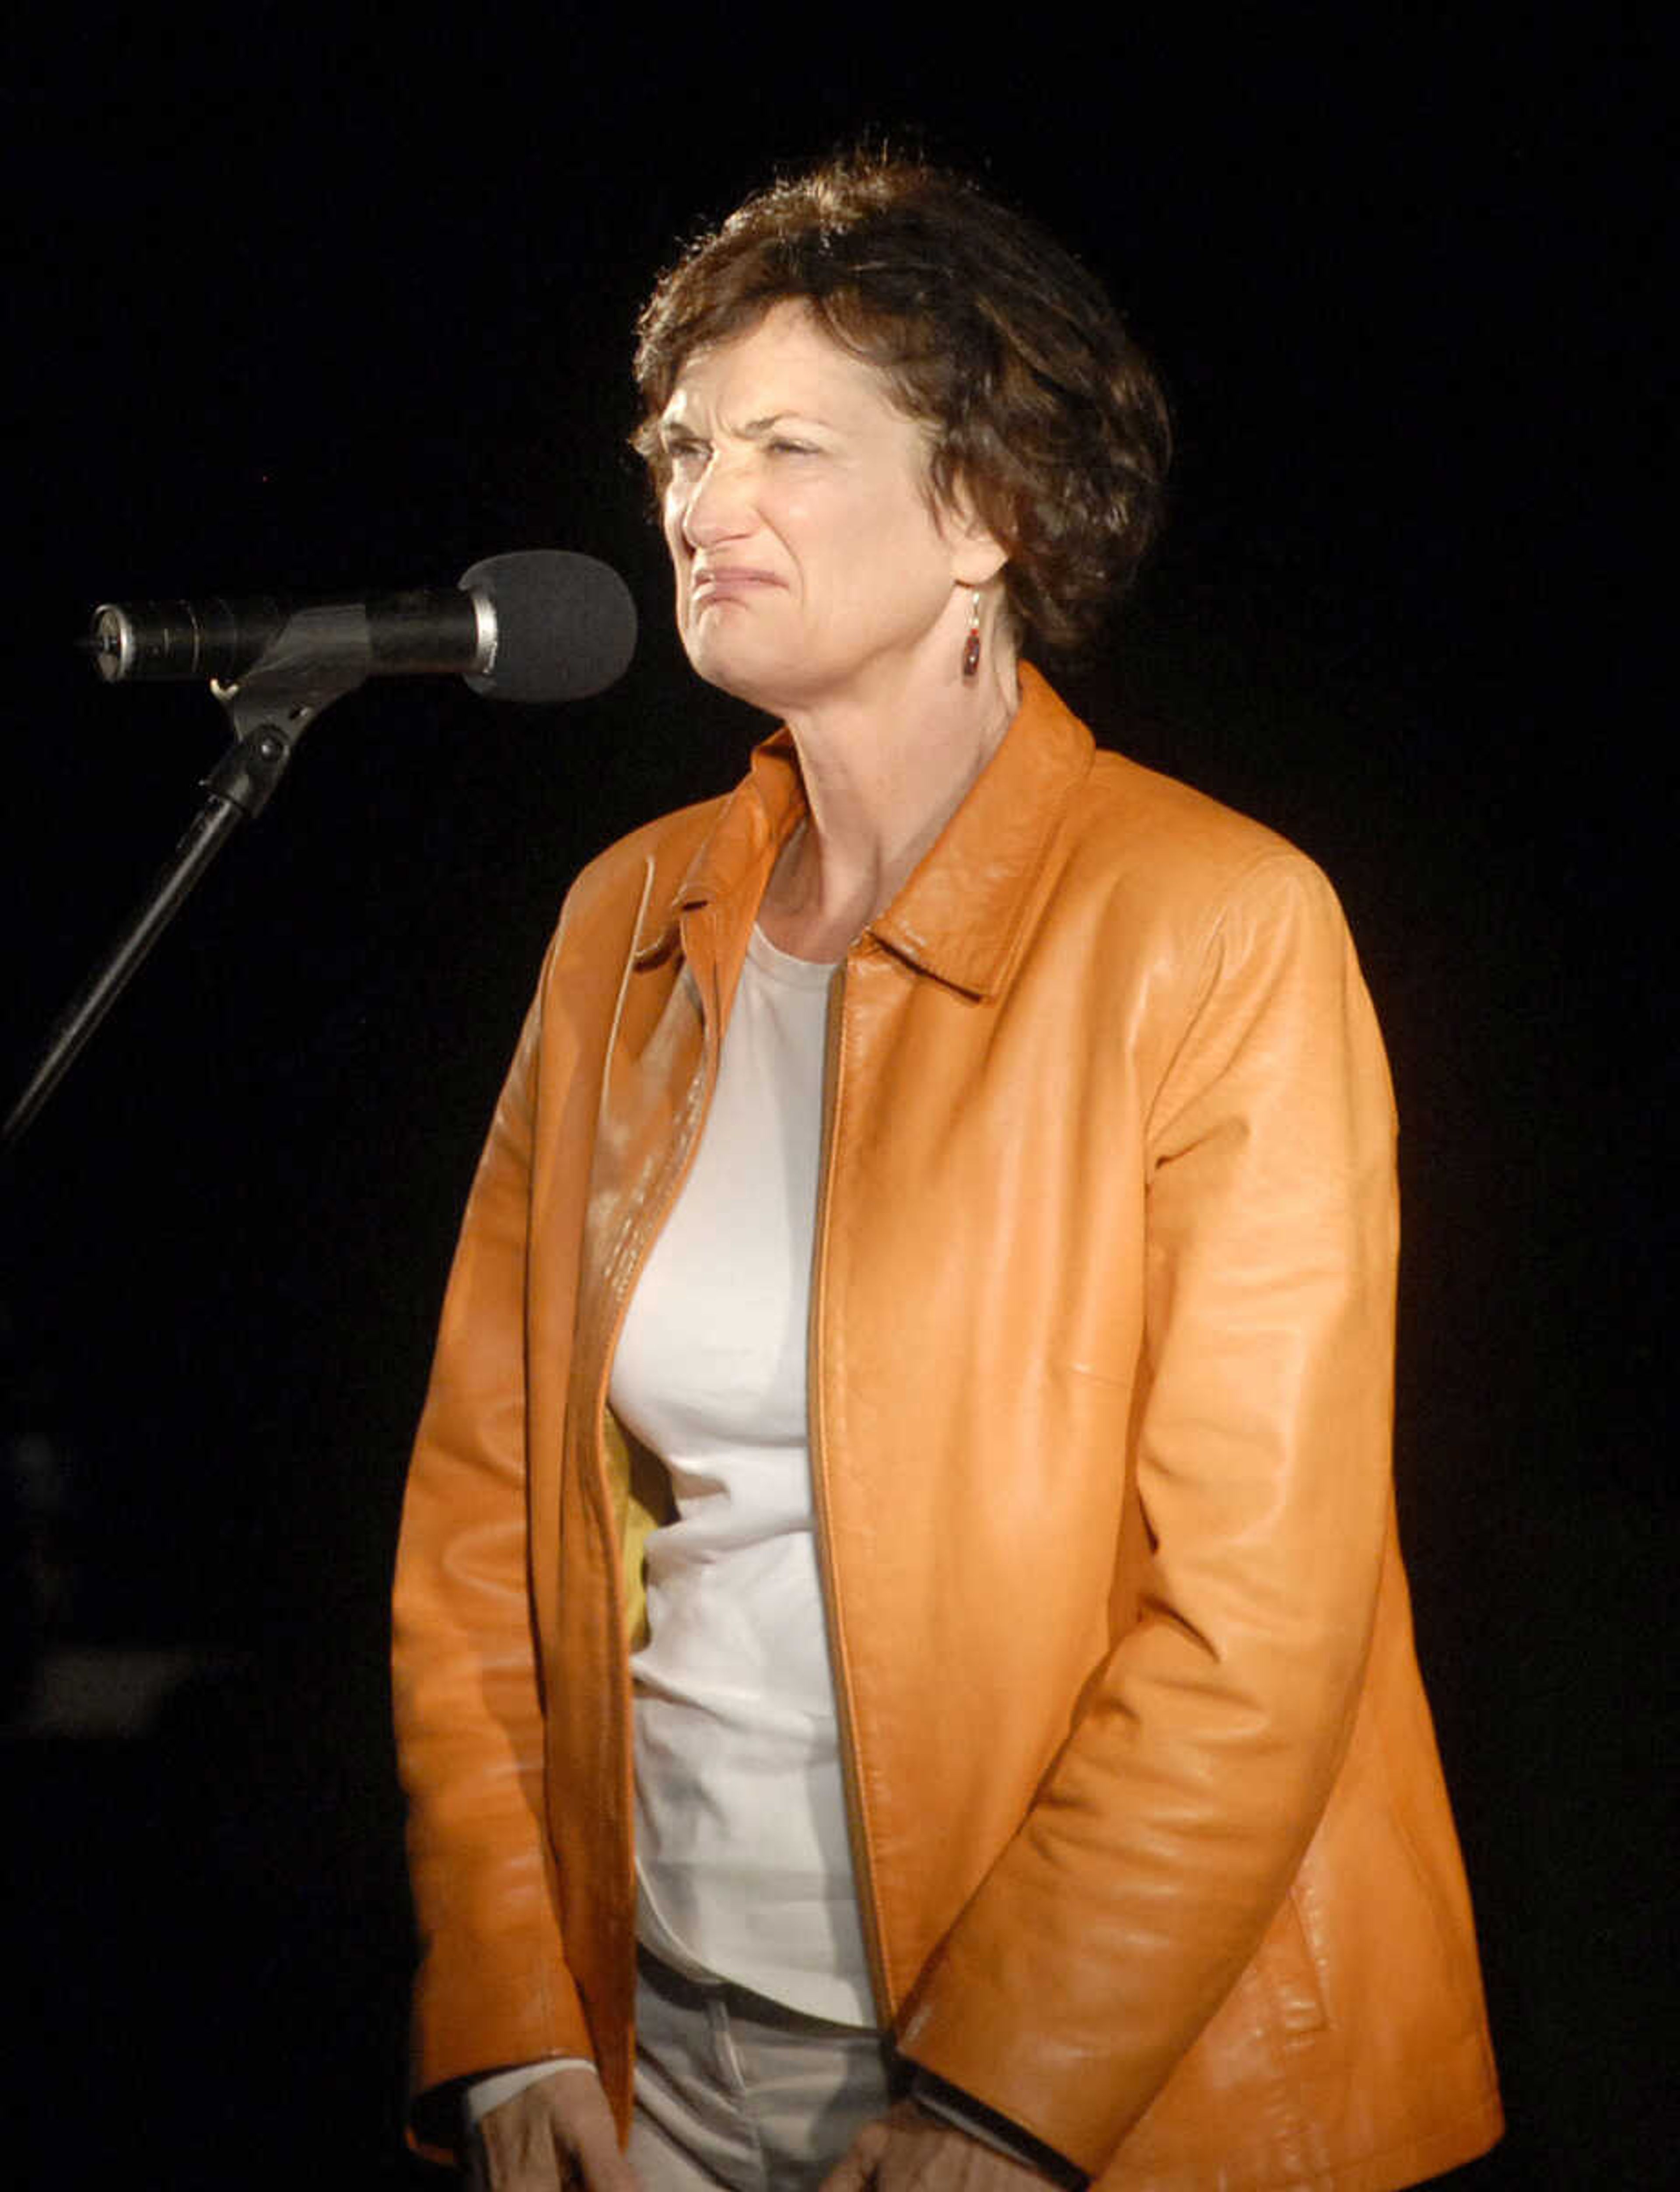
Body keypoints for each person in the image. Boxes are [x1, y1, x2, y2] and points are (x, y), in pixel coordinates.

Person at [392, 154, 1502, 2192]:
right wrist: (510, 2005)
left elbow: (1257, 1615)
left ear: (986, 510)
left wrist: (1006, 2090)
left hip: (1084, 2095)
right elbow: (479, 1521)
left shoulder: (1215, 922)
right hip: (654, 2063)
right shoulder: (623, 923)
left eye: (791, 447)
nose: (702, 505)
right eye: (687, 444)